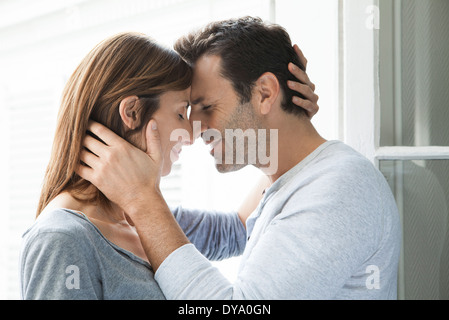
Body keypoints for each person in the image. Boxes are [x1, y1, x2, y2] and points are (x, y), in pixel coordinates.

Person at [78, 17, 402, 300]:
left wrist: (143, 201)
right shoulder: (294, 177)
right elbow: (231, 232)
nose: (193, 129)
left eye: (206, 107)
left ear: (264, 93)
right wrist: (120, 210)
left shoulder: (339, 189)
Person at [19, 30, 316, 299]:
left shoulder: (149, 218)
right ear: (132, 112)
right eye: (179, 113)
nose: (190, 134)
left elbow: (238, 230)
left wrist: (285, 120)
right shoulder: (61, 240)